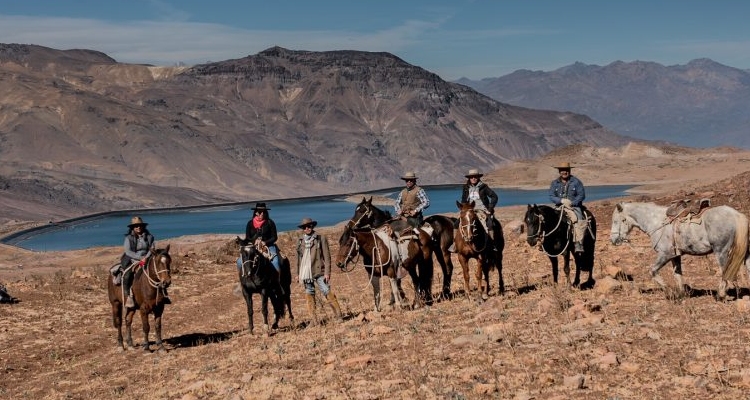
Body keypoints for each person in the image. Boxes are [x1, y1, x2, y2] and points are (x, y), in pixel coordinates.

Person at [296, 217, 343, 325]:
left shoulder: (320, 238)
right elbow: (298, 258)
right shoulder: (300, 240)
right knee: (309, 293)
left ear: (312, 226)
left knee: (326, 290)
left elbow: (327, 257)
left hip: (319, 270)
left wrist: (327, 272)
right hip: (306, 271)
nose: (307, 228)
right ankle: (314, 320)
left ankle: (338, 315)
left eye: (309, 226)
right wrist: (298, 273)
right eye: (304, 227)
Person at [120, 216, 169, 308]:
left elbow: (152, 248)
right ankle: (128, 297)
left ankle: (163, 294)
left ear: (143, 226)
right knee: (127, 275)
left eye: (139, 225)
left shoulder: (150, 237)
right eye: (136, 226)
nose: (138, 227)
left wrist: (146, 258)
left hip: (148, 259)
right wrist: (139, 258)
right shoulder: (129, 238)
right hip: (133, 259)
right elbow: (128, 251)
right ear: (132, 228)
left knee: (160, 272)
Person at [549, 162, 587, 253]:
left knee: (577, 221)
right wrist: (561, 201)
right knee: (549, 219)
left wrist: (572, 203)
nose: (564, 172)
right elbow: (551, 195)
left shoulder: (576, 182)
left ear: (569, 171)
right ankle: (547, 242)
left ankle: (578, 243)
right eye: (562, 170)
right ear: (559, 171)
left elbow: (581, 195)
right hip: (560, 206)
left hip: (573, 207)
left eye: (566, 170)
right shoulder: (555, 183)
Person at [240, 202, 281, 273]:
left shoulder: (270, 223)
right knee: (239, 262)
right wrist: (254, 241)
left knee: (275, 262)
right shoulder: (250, 223)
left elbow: (274, 237)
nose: (262, 214)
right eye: (259, 212)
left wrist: (265, 242)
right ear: (256, 213)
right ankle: (242, 282)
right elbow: (248, 237)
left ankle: (278, 281)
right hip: (253, 247)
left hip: (268, 247)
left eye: (264, 212)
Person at [461, 168, 499, 244]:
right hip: (470, 211)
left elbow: (494, 197)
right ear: (469, 178)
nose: (473, 178)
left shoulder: (483, 187)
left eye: (475, 177)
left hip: (483, 210)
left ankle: (492, 244)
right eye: (471, 177)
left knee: (490, 224)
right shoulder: (466, 188)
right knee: (457, 224)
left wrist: (490, 209)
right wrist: (463, 209)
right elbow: (463, 200)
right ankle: (455, 244)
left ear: (478, 177)